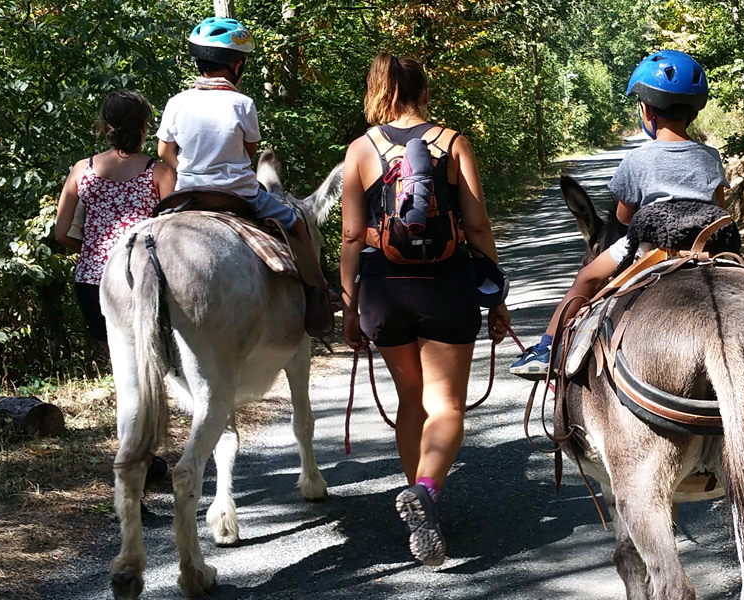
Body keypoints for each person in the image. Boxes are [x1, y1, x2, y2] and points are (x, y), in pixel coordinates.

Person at [339, 52, 512, 566]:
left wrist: (350, 306)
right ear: (425, 92)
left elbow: (351, 235)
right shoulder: (453, 141)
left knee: (410, 396)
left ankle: (417, 493)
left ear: (377, 92)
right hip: (446, 285)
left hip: (383, 289)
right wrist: (496, 294)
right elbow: (477, 227)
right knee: (448, 405)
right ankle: (427, 492)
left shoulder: (360, 149)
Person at [508, 49, 726, 379]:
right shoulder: (711, 157)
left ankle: (546, 349)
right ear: (694, 114)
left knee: (587, 278)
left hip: (651, 250)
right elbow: (719, 209)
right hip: (706, 248)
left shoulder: (636, 161)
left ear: (647, 110)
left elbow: (624, 220)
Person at [156, 16, 332, 336]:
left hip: (188, 192)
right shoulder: (242, 103)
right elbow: (250, 152)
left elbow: (164, 152)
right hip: (239, 194)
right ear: (236, 65)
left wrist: (188, 169)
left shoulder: (177, 102)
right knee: (295, 222)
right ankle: (318, 293)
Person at [54, 90, 175, 347]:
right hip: (143, 278)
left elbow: (61, 232)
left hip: (93, 280)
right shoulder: (160, 173)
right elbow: (173, 233)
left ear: (105, 126)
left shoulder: (81, 170)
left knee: (116, 359)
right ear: (144, 127)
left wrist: (92, 253)